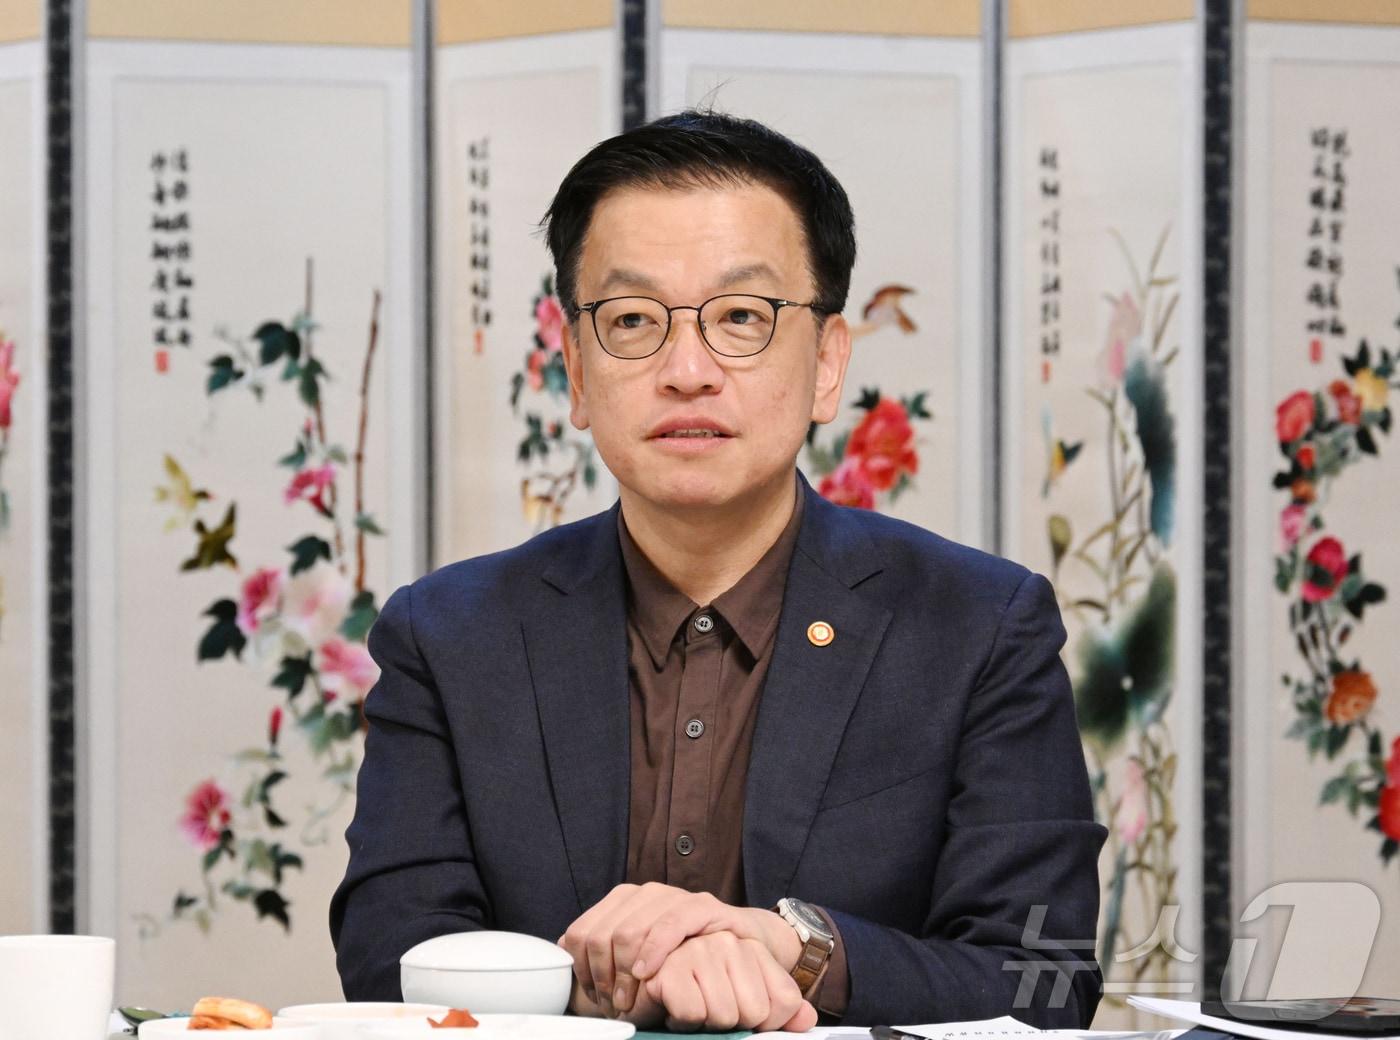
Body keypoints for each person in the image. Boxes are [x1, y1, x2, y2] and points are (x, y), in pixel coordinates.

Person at [330, 110, 1106, 1032]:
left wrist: (799, 951)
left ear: (827, 363)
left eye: (742, 317)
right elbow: (389, 956)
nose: (687, 370)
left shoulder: (979, 626)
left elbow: (1046, 981)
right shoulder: (450, 636)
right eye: (632, 320)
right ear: (575, 370)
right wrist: (590, 987)